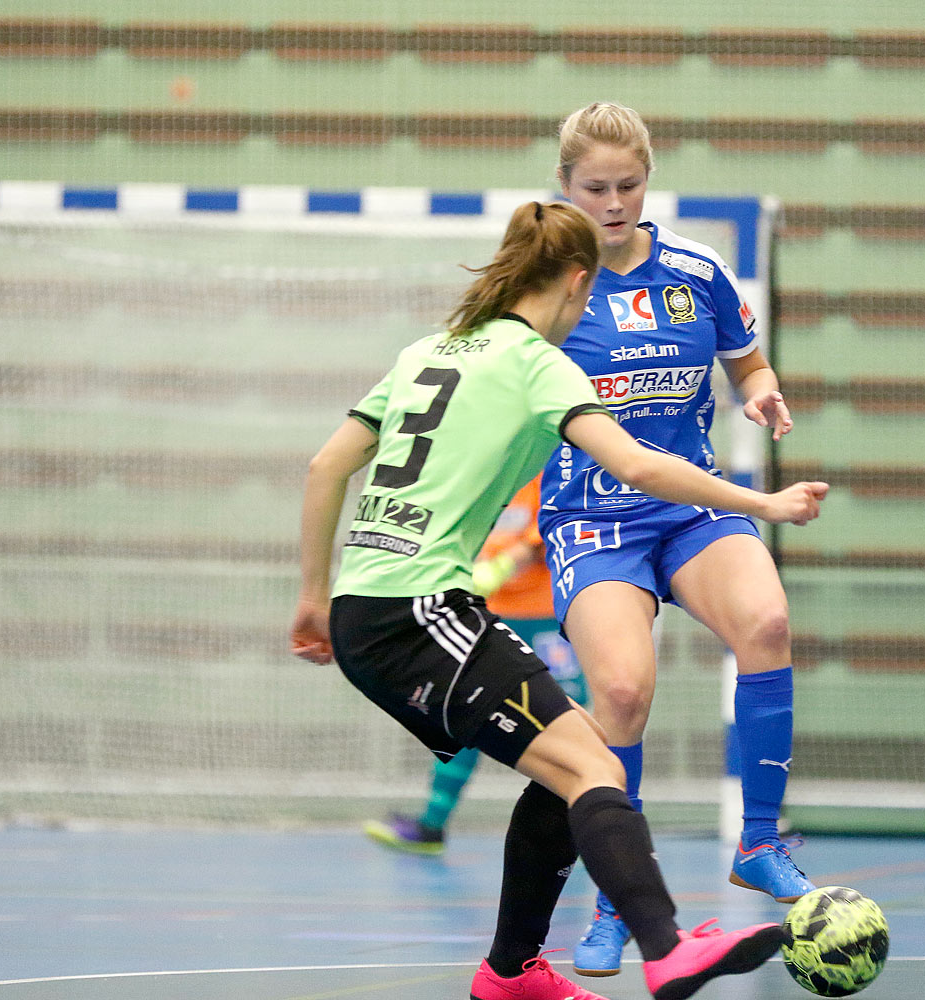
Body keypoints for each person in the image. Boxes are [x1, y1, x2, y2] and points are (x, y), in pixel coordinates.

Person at [289, 199, 828, 1000]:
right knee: (592, 763)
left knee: (568, 763)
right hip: (419, 611)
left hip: (370, 602)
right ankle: (667, 947)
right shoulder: (538, 364)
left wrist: (311, 596)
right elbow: (639, 467)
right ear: (578, 282)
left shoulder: (427, 351)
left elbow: (326, 467)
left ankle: (512, 973)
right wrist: (765, 505)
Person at [543, 102, 817, 977]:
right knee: (620, 691)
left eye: (629, 185)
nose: (615, 202)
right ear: (565, 187)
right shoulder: (545, 292)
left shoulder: (696, 270)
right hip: (593, 519)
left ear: (647, 181)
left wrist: (762, 391)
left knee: (766, 624)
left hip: (690, 505)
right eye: (596, 188)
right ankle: (617, 903)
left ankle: (759, 840)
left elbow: (748, 361)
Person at [364, 475, 592, 855]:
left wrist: (504, 564)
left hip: (543, 615)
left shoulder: (550, 474)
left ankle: (586, 824)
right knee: (464, 715)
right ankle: (431, 826)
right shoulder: (493, 478)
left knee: (566, 718)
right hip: (488, 614)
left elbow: (547, 533)